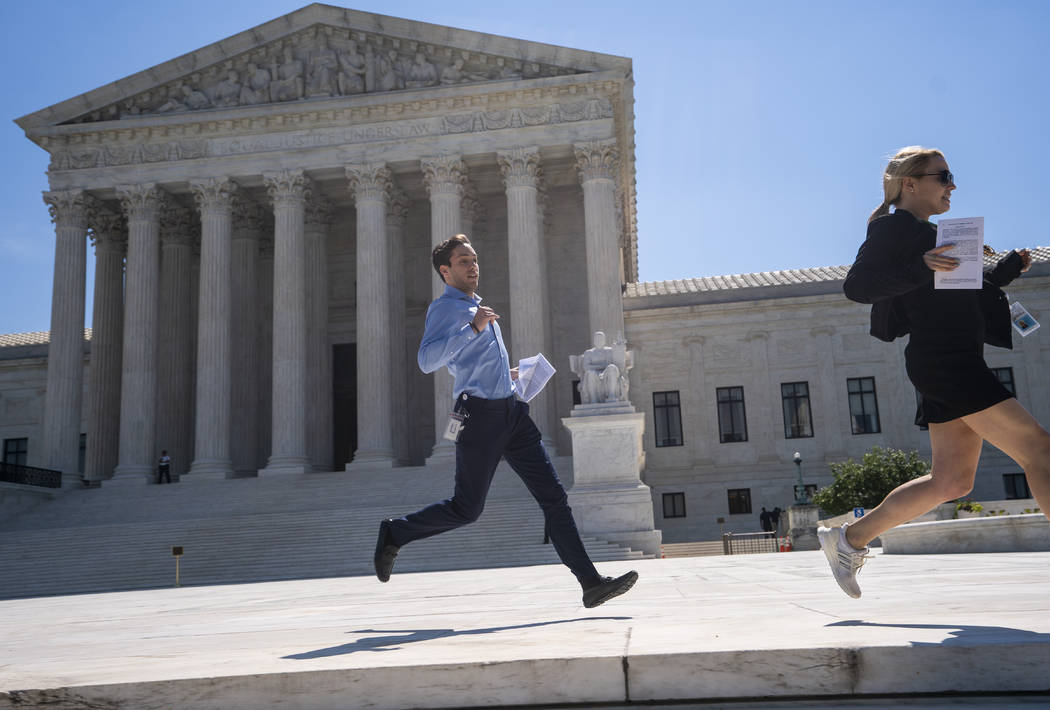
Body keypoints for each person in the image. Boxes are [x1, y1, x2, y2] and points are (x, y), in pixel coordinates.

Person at [819, 146, 1050, 598]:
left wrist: (1002, 270)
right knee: (1040, 451)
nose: (952, 185)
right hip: (946, 362)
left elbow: (956, 296)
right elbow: (858, 286)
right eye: (942, 176)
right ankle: (849, 540)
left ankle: (848, 540)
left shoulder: (933, 235)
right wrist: (921, 265)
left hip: (950, 359)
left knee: (952, 480)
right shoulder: (893, 229)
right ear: (911, 184)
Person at [373, 234, 638, 608]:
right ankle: (395, 533)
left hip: (512, 413)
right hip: (477, 418)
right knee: (467, 508)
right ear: (445, 271)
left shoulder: (479, 308)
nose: (473, 266)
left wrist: (508, 375)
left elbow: (472, 362)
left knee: (555, 498)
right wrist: (474, 329)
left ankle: (590, 582)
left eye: (475, 259)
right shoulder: (445, 310)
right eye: (464, 261)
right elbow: (427, 360)